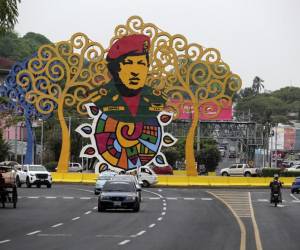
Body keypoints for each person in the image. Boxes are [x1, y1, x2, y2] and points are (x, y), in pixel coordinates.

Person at [94, 34, 166, 123]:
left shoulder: (158, 98)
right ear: (116, 68)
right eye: (128, 63)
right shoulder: (98, 97)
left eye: (141, 63)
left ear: (147, 67)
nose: (135, 71)